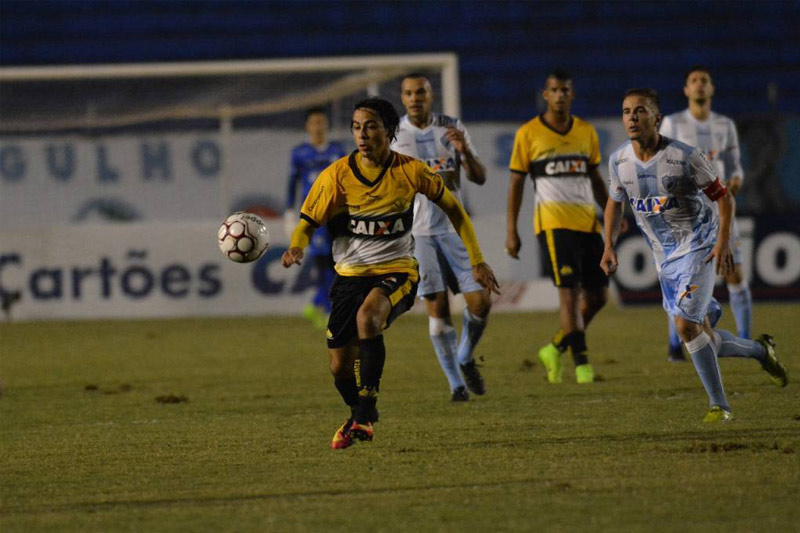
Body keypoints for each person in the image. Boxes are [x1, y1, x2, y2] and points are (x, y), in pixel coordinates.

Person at [282, 98, 500, 449]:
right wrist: (297, 246)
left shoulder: (410, 171)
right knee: (339, 366)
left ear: (389, 131)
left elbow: (455, 210)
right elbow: (307, 221)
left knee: (368, 318)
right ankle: (360, 413)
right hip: (349, 276)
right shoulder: (336, 175)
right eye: (356, 127)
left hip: (398, 271)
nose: (362, 134)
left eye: (370, 127)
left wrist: (477, 260)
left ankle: (365, 412)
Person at [601, 88, 787, 422]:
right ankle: (762, 351)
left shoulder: (685, 157)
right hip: (664, 259)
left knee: (685, 327)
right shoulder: (619, 161)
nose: (632, 117)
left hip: (699, 245)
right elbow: (614, 204)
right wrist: (609, 245)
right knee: (704, 337)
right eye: (626, 111)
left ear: (657, 118)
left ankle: (720, 406)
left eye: (640, 111)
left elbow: (724, 198)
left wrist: (723, 242)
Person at [391, 73, 491, 402]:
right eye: (409, 93)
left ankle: (464, 356)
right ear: (403, 98)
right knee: (437, 308)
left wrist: (465, 152)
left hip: (454, 229)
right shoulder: (394, 135)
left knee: (481, 302)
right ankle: (456, 385)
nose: (415, 98)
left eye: (420, 92)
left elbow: (479, 177)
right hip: (418, 235)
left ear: (431, 95)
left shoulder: (451, 128)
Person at [506, 69, 609, 384]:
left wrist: (611, 213)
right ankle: (582, 365)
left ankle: (554, 348)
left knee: (598, 297)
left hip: (587, 223)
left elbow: (595, 178)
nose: (560, 95)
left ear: (572, 94)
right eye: (554, 90)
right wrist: (511, 230)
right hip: (553, 225)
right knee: (569, 295)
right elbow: (516, 184)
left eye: (565, 90)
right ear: (545, 94)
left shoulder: (586, 132)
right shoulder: (528, 133)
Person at [660, 66, 752, 362]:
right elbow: (660, 163)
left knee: (735, 273)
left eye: (704, 81)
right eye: (694, 81)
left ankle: (745, 338)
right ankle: (675, 345)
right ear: (686, 89)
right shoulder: (672, 123)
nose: (699, 85)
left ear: (711, 88)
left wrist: (734, 182)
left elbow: (735, 167)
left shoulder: (724, 125)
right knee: (682, 280)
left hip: (720, 209)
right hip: (687, 215)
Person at [284, 107, 347, 328]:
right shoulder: (299, 153)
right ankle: (327, 310)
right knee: (323, 262)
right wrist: (289, 213)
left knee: (338, 263)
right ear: (307, 126)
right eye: (314, 122)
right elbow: (292, 184)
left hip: (337, 214)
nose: (318, 127)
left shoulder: (338, 150)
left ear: (326, 125)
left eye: (321, 122)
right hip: (314, 216)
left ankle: (317, 305)